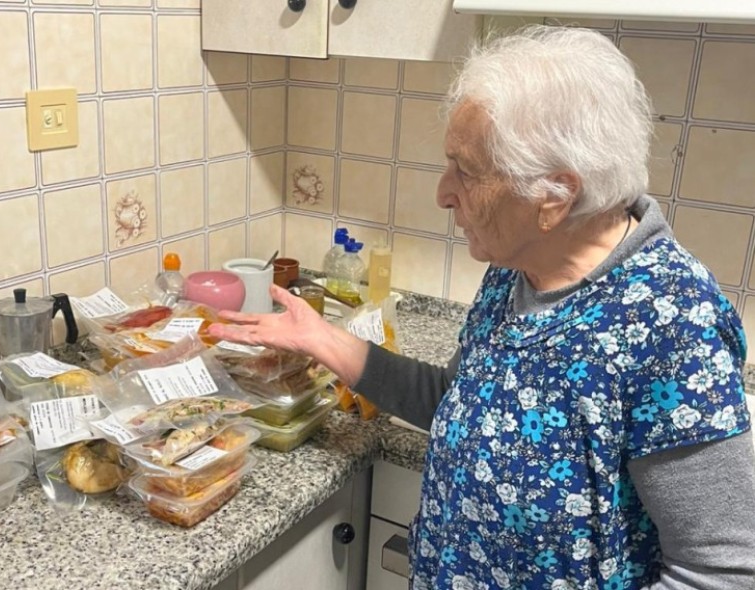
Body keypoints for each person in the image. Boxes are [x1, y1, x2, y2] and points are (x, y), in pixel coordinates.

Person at [208, 25, 755, 590]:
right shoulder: (519, 263)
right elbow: (463, 406)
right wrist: (324, 340)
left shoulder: (672, 321)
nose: (444, 192)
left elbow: (721, 571)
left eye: (467, 171)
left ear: (555, 195)